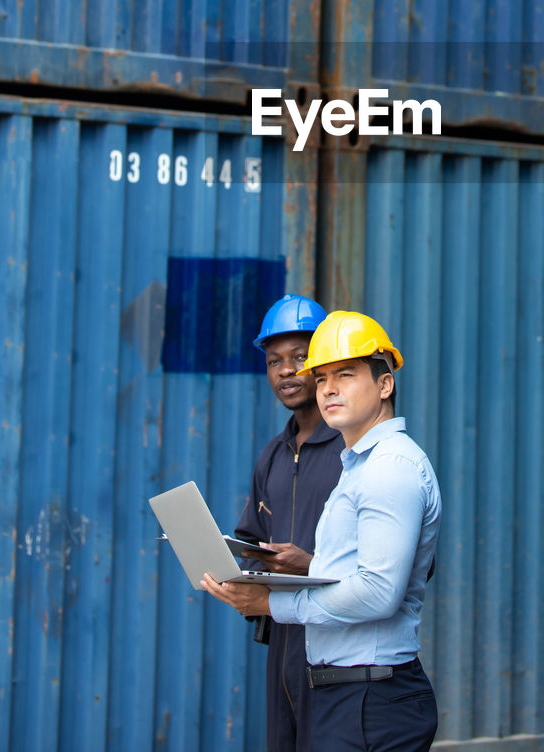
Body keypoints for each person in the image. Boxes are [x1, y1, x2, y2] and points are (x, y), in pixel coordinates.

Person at [204, 310, 441, 752]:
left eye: (346, 374)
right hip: (347, 692)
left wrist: (273, 603)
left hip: (370, 697)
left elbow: (378, 592)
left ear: (385, 384)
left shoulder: (390, 468)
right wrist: (301, 566)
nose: (328, 387)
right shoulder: (358, 466)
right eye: (323, 377)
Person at [235, 294, 344, 752]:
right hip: (282, 652)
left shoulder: (352, 450)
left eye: (300, 357)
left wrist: (311, 564)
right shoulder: (274, 456)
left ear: (323, 364)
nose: (285, 371)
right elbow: (250, 541)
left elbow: (395, 570)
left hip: (340, 657)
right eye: (274, 360)